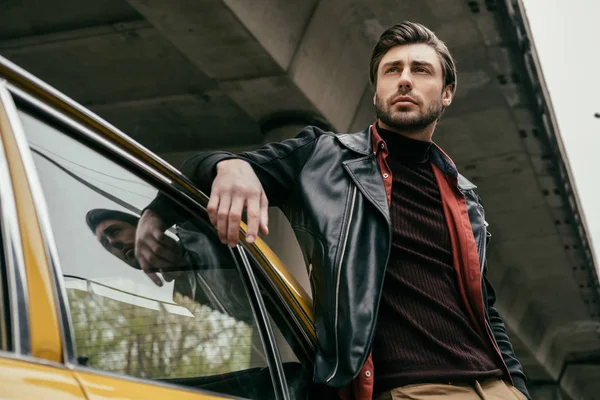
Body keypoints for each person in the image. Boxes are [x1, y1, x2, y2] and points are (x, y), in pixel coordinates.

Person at [135, 22, 530, 400]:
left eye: (421, 69)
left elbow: (484, 308)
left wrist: (518, 386)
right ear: (377, 93)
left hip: (497, 389)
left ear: (446, 93)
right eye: (392, 70)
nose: (404, 79)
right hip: (412, 389)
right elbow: (209, 167)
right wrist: (200, 183)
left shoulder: (464, 196)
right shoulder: (323, 157)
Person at [85, 208, 252, 323]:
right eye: (106, 244)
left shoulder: (200, 232)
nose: (113, 243)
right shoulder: (179, 300)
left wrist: (155, 213)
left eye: (114, 231)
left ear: (142, 227)